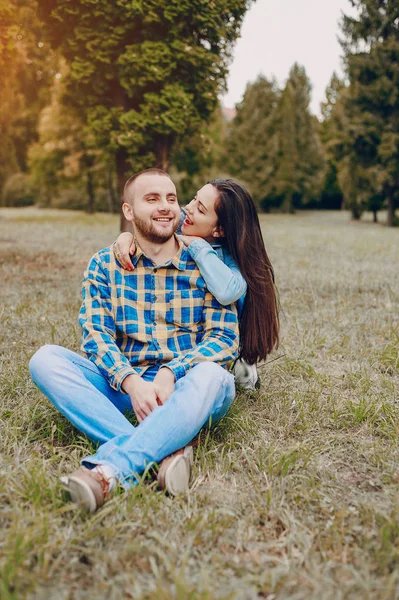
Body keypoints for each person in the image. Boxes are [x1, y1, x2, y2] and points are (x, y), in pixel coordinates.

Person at [29, 168, 239, 513]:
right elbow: (96, 335)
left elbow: (225, 338)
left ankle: (110, 472)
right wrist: (130, 382)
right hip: (128, 387)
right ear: (129, 211)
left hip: (187, 388)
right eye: (152, 198)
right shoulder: (104, 263)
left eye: (171, 198)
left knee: (213, 375)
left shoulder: (206, 264)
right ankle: (165, 453)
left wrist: (172, 371)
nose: (166, 207)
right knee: (45, 359)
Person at [113, 178, 280, 390]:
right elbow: (151, 225)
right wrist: (127, 236)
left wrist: (199, 247)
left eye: (200, 209)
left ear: (219, 230)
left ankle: (241, 363)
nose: (187, 208)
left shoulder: (226, 258)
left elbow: (229, 292)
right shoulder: (185, 221)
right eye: (194, 198)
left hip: (216, 335)